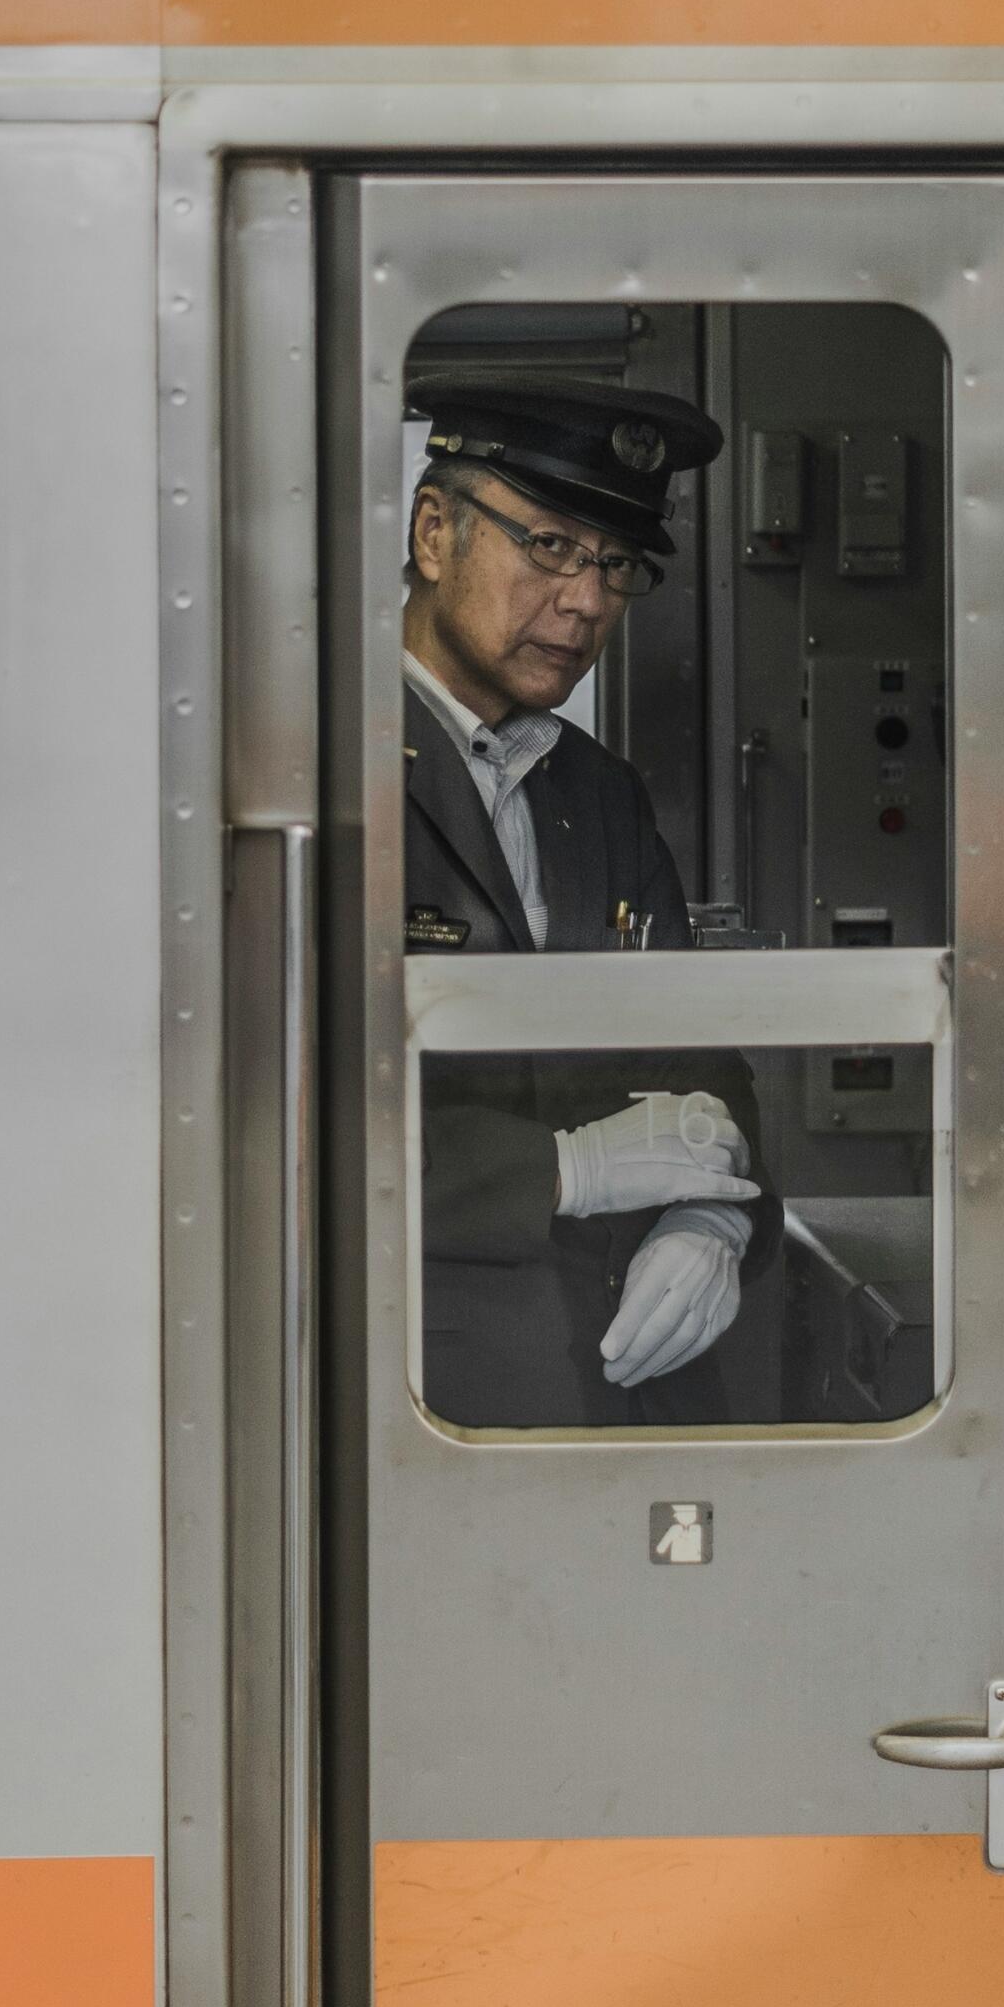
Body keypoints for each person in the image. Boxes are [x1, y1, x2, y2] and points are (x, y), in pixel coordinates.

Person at [404, 368, 782, 1428]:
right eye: (551, 547)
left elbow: (702, 1062)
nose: (586, 601)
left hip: (636, 1394)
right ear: (437, 533)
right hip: (421, 1406)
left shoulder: (599, 792)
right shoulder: (315, 779)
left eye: (617, 564)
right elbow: (274, 1124)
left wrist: (714, 1215)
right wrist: (560, 1171)